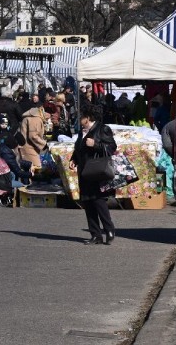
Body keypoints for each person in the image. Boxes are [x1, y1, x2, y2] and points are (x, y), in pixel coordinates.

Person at [70, 104, 118, 245]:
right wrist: (74, 159)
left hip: (97, 171)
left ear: (88, 117)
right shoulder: (82, 132)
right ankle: (95, 234)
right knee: (88, 202)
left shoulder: (102, 129)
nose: (79, 119)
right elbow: (79, 148)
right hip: (84, 171)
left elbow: (112, 147)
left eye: (81, 116)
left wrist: (96, 144)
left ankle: (109, 230)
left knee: (98, 201)